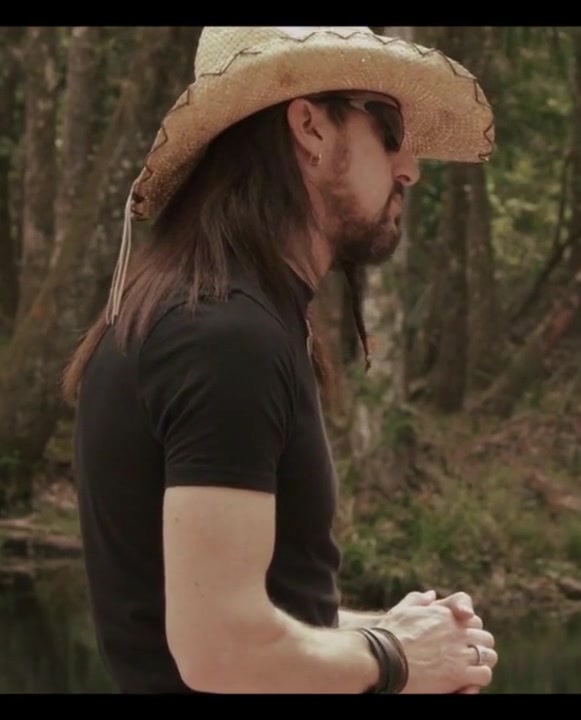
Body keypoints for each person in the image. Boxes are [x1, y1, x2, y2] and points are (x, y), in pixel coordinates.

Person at [60, 26, 499, 694]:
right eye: (389, 131)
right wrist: (395, 657)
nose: (409, 167)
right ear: (311, 128)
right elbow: (221, 650)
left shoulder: (211, 315)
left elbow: (256, 617)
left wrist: (402, 636)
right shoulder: (221, 337)